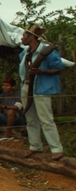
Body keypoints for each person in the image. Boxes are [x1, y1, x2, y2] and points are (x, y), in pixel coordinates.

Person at [19, 24, 65, 160]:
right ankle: (35, 146)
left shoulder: (48, 52)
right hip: (27, 86)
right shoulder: (24, 53)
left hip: (42, 87)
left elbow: (59, 68)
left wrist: (42, 71)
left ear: (31, 37)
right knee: (30, 118)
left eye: (24, 35)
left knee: (46, 119)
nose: (22, 38)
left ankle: (56, 148)